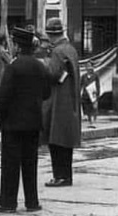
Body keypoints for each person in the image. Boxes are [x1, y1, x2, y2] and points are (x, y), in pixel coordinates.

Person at [0, 27, 51, 213]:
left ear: (17, 46)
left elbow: (4, 96)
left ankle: (8, 203)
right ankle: (32, 202)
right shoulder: (40, 66)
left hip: (13, 123)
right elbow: (47, 93)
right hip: (33, 122)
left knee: (10, 164)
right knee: (30, 163)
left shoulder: (13, 67)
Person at [41, 17, 81, 187]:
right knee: (66, 141)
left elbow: (53, 74)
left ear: (51, 35)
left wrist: (43, 65)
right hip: (70, 99)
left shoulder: (57, 52)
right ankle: (67, 175)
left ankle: (60, 176)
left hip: (58, 100)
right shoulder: (71, 49)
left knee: (56, 140)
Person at [80, 61, 101, 128]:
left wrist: (98, 93)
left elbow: (98, 85)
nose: (89, 68)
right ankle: (90, 119)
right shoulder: (83, 76)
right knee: (87, 107)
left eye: (90, 66)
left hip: (93, 94)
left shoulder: (95, 76)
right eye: (87, 67)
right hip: (86, 94)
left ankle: (94, 119)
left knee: (94, 107)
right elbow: (81, 85)